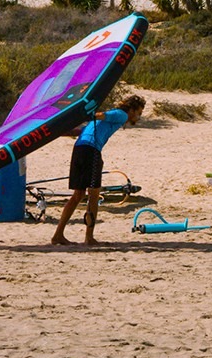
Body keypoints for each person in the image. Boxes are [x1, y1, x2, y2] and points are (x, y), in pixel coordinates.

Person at [51, 94, 145, 246]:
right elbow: (100, 115)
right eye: (139, 113)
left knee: (78, 194)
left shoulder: (112, 118)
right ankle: (89, 237)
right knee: (94, 194)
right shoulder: (121, 115)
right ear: (132, 110)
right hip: (91, 150)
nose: (138, 117)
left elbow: (84, 128)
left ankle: (58, 235)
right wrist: (87, 113)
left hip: (79, 149)